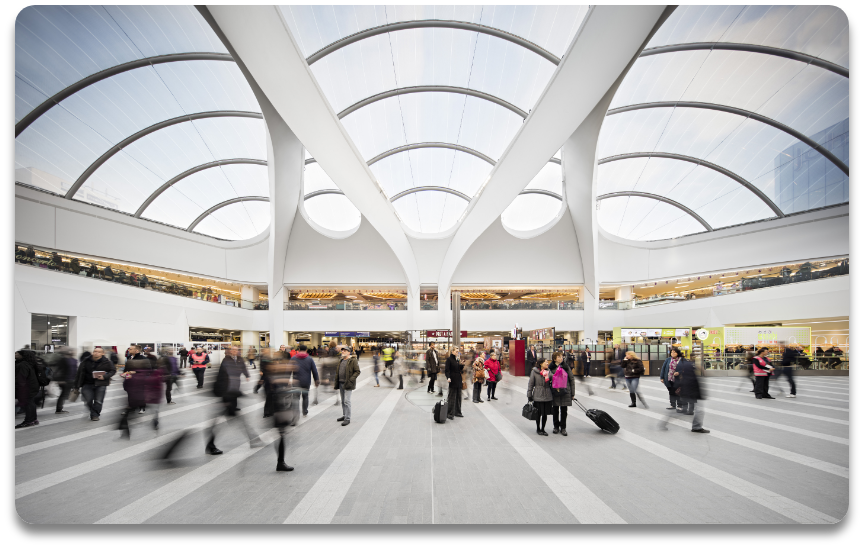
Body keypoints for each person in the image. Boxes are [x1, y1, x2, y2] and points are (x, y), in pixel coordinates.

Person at [206, 345, 255, 455]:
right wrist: (225, 394)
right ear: (230, 351)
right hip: (227, 394)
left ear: (238, 351)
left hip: (232, 393)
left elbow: (242, 368)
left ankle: (253, 439)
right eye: (232, 350)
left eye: (236, 350)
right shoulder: (226, 361)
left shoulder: (240, 359)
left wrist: (246, 376)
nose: (234, 351)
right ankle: (210, 445)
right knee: (226, 420)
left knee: (231, 418)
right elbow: (221, 377)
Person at [74, 347, 116, 421]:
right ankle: (93, 411)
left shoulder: (107, 361)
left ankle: (95, 415)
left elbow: (113, 371)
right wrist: (76, 385)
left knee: (98, 401)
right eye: (95, 351)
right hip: (87, 383)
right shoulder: (86, 360)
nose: (96, 353)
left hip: (101, 384)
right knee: (88, 399)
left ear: (103, 353)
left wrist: (105, 376)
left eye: (99, 352)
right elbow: (79, 372)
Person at [672, 357, 709, 433]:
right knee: (700, 410)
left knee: (698, 409)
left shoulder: (687, 370)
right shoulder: (690, 370)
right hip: (691, 393)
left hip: (690, 394)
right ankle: (696, 427)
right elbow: (694, 384)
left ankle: (696, 425)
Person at [549, 352, 575, 436]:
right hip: (555, 392)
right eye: (559, 357)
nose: (561, 358)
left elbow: (571, 379)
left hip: (565, 391)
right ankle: (556, 426)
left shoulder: (566, 367)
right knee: (555, 410)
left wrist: (572, 393)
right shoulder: (550, 368)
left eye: (562, 357)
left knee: (564, 410)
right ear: (554, 359)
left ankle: (563, 428)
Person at [335, 346, 361, 426]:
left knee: (347, 401)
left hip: (348, 383)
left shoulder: (353, 360)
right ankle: (344, 415)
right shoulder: (341, 360)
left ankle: (347, 418)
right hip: (340, 383)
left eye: (345, 350)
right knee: (343, 401)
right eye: (342, 350)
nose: (343, 351)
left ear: (349, 352)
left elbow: (357, 371)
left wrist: (350, 380)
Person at [15, 350, 41, 428]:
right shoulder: (29, 363)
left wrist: (19, 388)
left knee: (28, 403)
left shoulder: (22, 365)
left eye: (17, 353)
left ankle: (28, 421)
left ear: (22, 355)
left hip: (26, 387)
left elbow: (21, 378)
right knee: (30, 403)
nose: (15, 354)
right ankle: (33, 419)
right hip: (32, 386)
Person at [527, 358, 553, 435]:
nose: (547, 363)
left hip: (547, 394)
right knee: (538, 413)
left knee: (545, 413)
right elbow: (530, 384)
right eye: (546, 362)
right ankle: (538, 428)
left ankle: (543, 429)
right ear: (541, 363)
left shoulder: (549, 371)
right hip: (538, 395)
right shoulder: (534, 372)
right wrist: (529, 394)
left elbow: (553, 378)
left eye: (547, 362)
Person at [292, 345, 319, 416]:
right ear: (306, 350)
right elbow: (314, 371)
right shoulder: (309, 359)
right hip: (306, 381)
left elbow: (288, 370)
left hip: (296, 381)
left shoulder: (293, 358)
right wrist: (316, 380)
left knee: (296, 397)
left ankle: (296, 412)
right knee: (305, 396)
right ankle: (305, 411)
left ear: (299, 349)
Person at [53, 346, 78, 414]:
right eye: (72, 350)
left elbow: (75, 370)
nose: (74, 352)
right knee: (63, 394)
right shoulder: (63, 360)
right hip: (65, 380)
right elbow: (58, 370)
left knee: (65, 394)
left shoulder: (74, 360)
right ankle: (59, 409)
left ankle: (59, 408)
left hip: (71, 380)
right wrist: (60, 379)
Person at [444, 347, 463, 419]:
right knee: (452, 396)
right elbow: (447, 370)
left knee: (459, 396)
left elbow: (458, 369)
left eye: (458, 351)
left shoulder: (457, 359)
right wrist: (448, 377)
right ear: (452, 351)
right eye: (456, 351)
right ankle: (450, 413)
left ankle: (457, 412)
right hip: (452, 379)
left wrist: (461, 365)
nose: (457, 353)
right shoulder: (449, 359)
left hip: (458, 379)